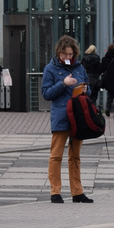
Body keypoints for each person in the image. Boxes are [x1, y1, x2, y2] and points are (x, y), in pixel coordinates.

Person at [41, 35, 92, 203]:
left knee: (75, 156)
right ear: (59, 53)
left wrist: (85, 89)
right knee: (56, 155)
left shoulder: (79, 67)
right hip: (61, 116)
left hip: (78, 117)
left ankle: (77, 192)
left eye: (70, 54)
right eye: (65, 55)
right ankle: (55, 192)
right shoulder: (50, 68)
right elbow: (46, 94)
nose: (68, 58)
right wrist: (63, 83)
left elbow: (89, 90)